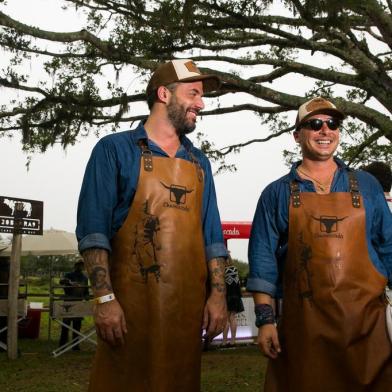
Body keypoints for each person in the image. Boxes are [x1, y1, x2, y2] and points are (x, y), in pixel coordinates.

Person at [76, 59, 228, 391]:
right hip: (128, 313)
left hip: (186, 316)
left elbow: (212, 237)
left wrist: (218, 296)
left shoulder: (199, 163)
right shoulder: (114, 150)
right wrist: (104, 300)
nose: (201, 104)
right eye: (194, 94)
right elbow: (93, 232)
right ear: (164, 94)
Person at [247, 97, 392, 391]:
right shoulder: (276, 194)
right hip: (305, 331)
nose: (325, 130)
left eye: (332, 124)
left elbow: (389, 248)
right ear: (297, 135)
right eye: (315, 124)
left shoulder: (366, 185)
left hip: (368, 328)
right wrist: (265, 321)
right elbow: (263, 261)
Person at [58, 260, 89, 351]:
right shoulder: (68, 275)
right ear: (75, 266)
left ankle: (75, 346)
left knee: (77, 325)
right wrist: (69, 282)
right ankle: (62, 345)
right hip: (68, 302)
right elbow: (61, 281)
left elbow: (86, 291)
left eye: (82, 265)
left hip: (79, 302)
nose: (80, 267)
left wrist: (86, 296)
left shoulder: (84, 278)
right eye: (79, 265)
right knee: (66, 325)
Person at [222, 254, 244, 347]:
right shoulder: (235, 269)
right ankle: (233, 341)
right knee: (233, 318)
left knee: (227, 319)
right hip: (236, 296)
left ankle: (224, 342)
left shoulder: (222, 272)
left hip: (227, 297)